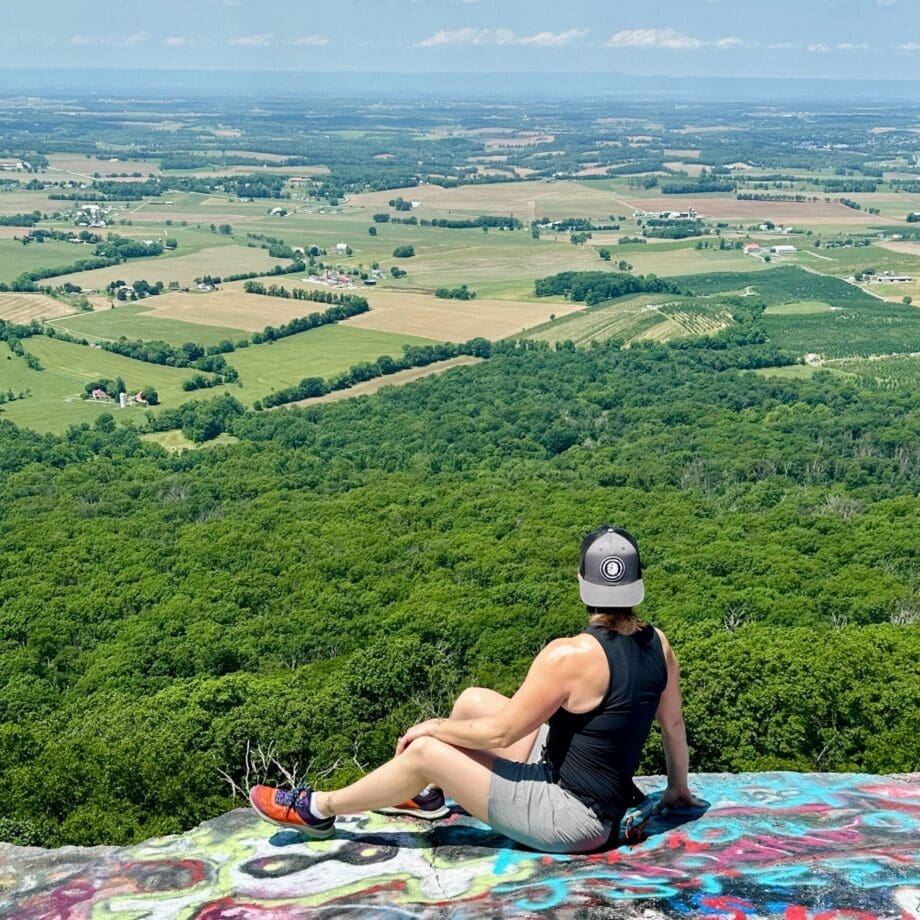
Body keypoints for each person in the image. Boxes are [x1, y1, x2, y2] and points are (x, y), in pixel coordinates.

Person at [250, 525, 703, 853]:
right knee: (472, 700)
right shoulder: (658, 644)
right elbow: (673, 723)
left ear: (582, 584)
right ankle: (425, 797)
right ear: (636, 586)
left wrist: (432, 726)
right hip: (590, 786)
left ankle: (320, 809)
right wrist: (677, 788)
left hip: (571, 817)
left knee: (427, 748)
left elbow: (500, 737)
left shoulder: (569, 654)